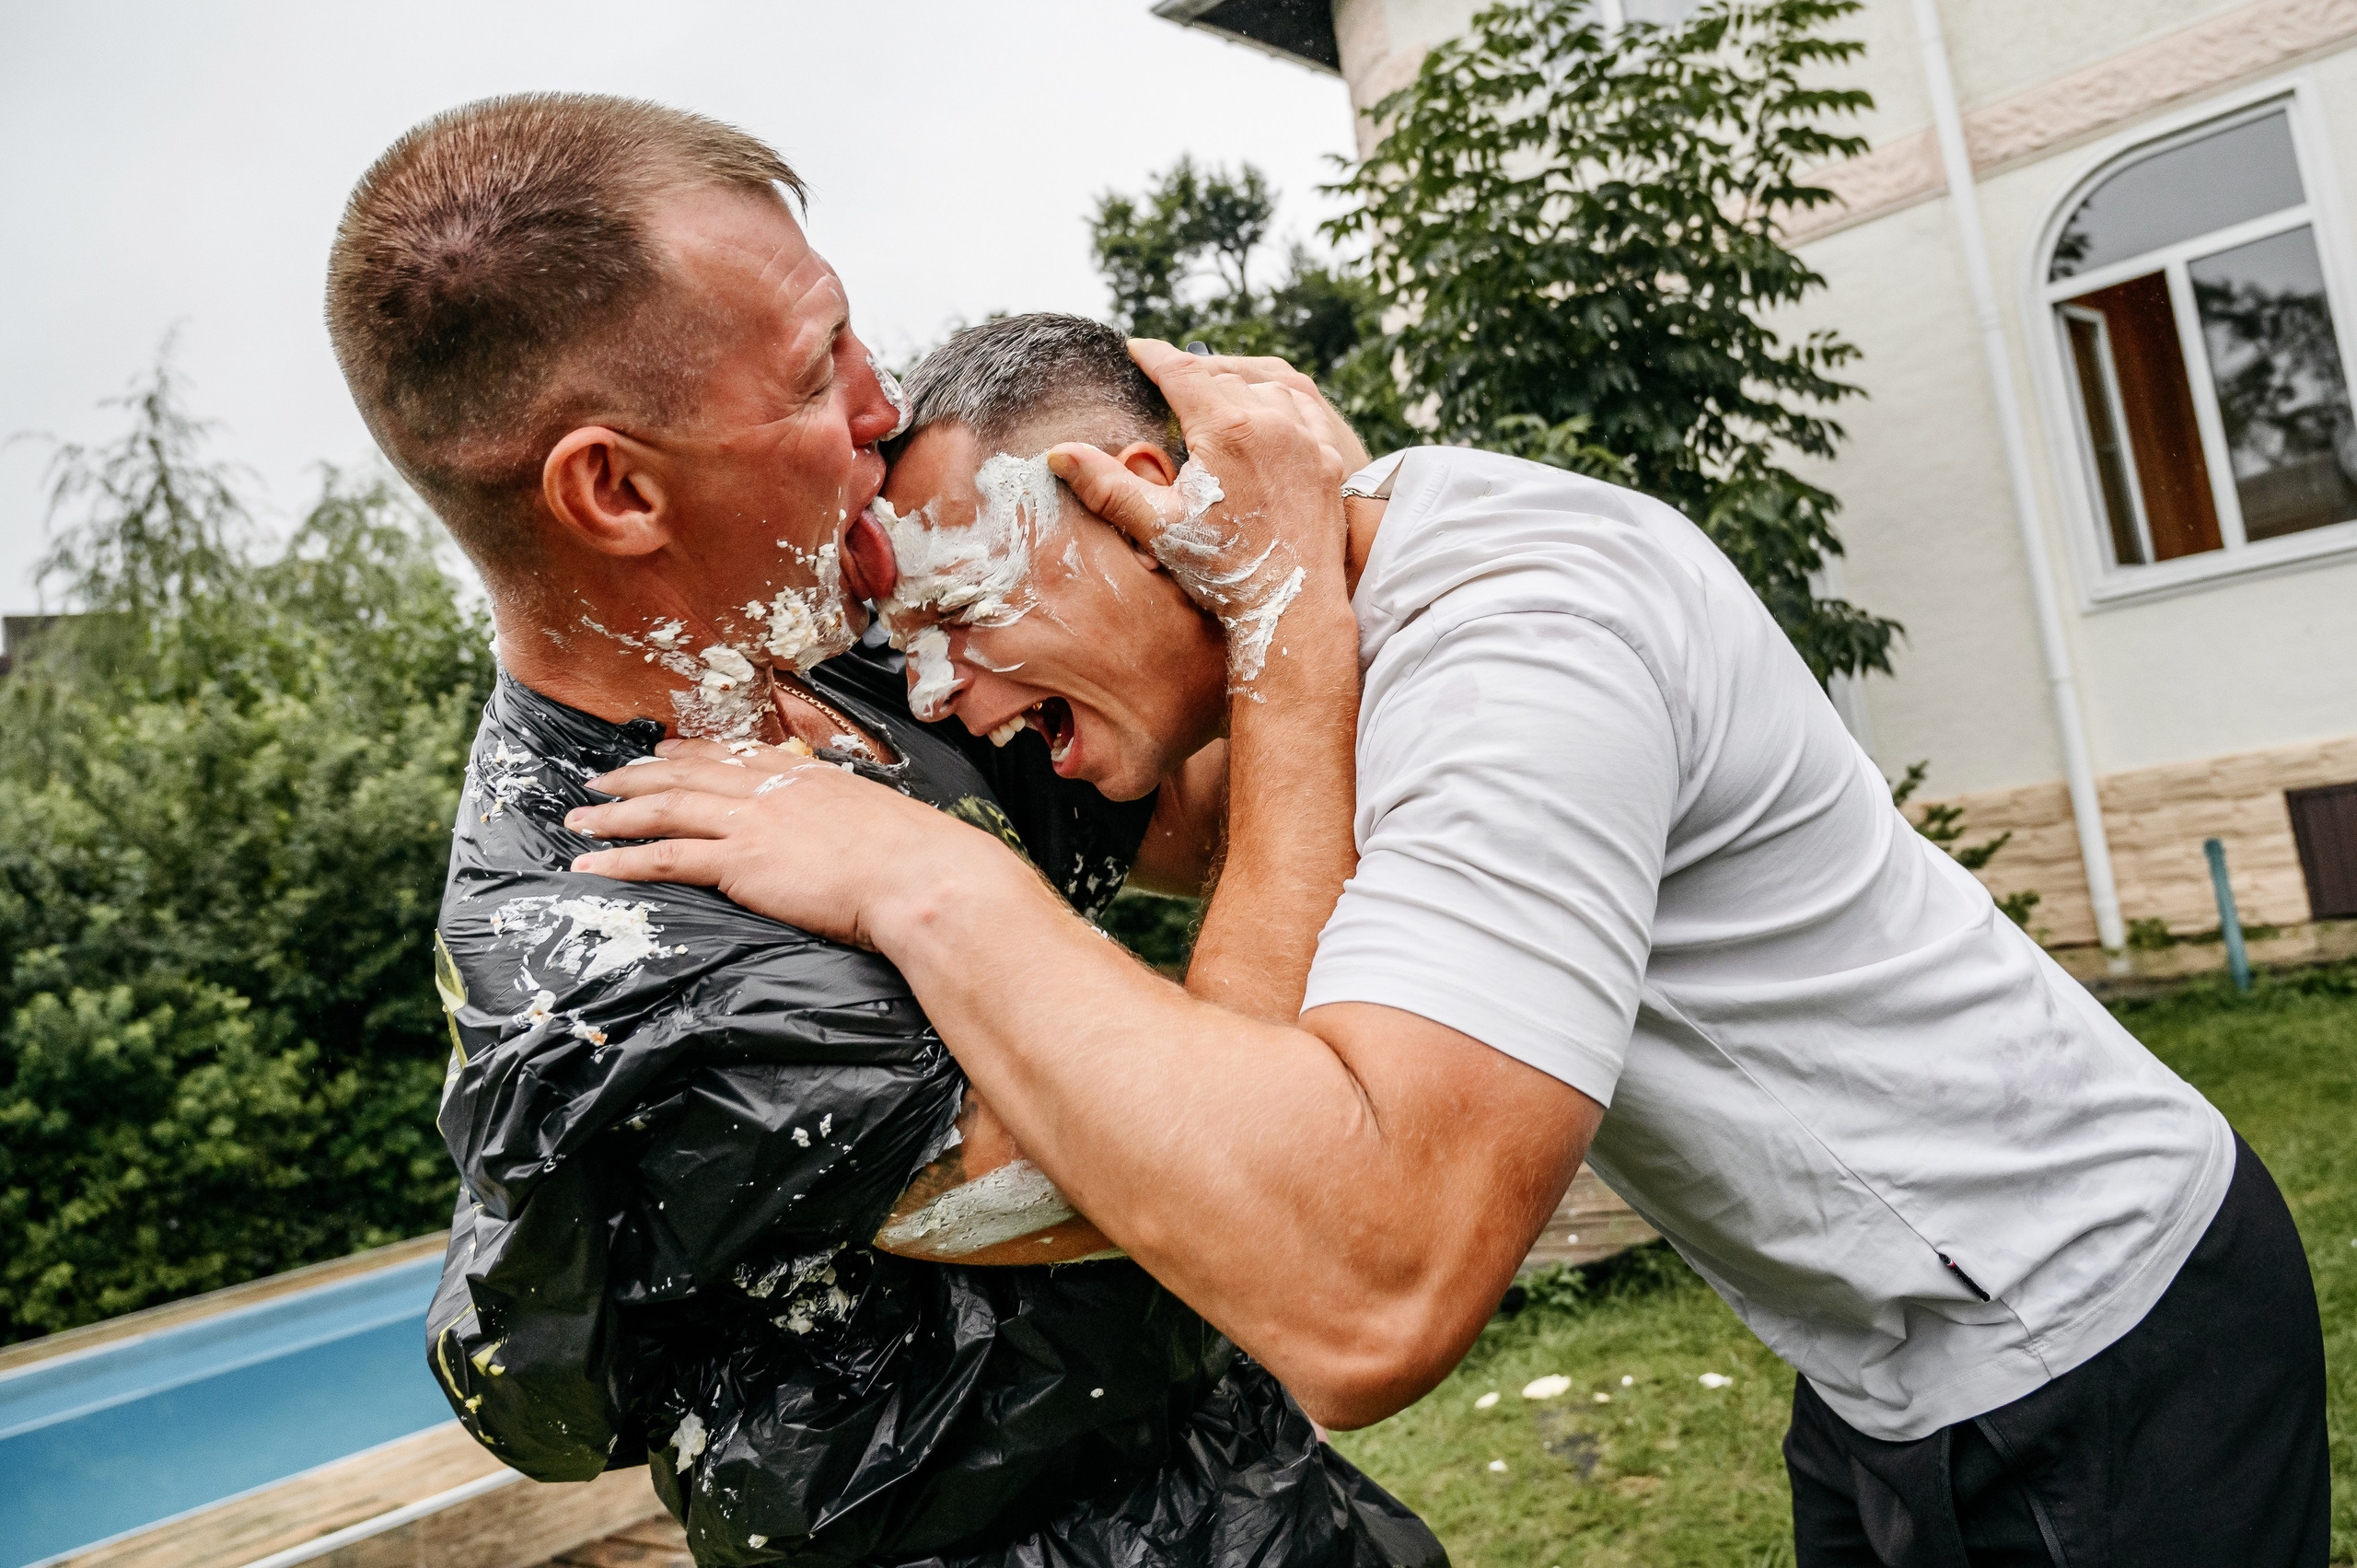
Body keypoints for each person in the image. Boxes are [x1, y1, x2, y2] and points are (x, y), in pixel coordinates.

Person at [573, 314, 2333, 1566]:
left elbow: (1374, 1293)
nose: (943, 691)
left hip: (2086, 1329)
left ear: (1143, 497)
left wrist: (921, 880)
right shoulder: (1332, 611)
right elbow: (1254, 844)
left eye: (959, 611)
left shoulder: (1517, 650)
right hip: (1879, 1358)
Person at [326, 97, 1441, 1568]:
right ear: (615, 488)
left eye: (854, 331)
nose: (883, 402)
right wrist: (1288, 625)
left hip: (1267, 1497)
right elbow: (1231, 1166)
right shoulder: (601, 941)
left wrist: (1229, 560)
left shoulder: (855, 656)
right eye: (815, 373)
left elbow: (1221, 815)